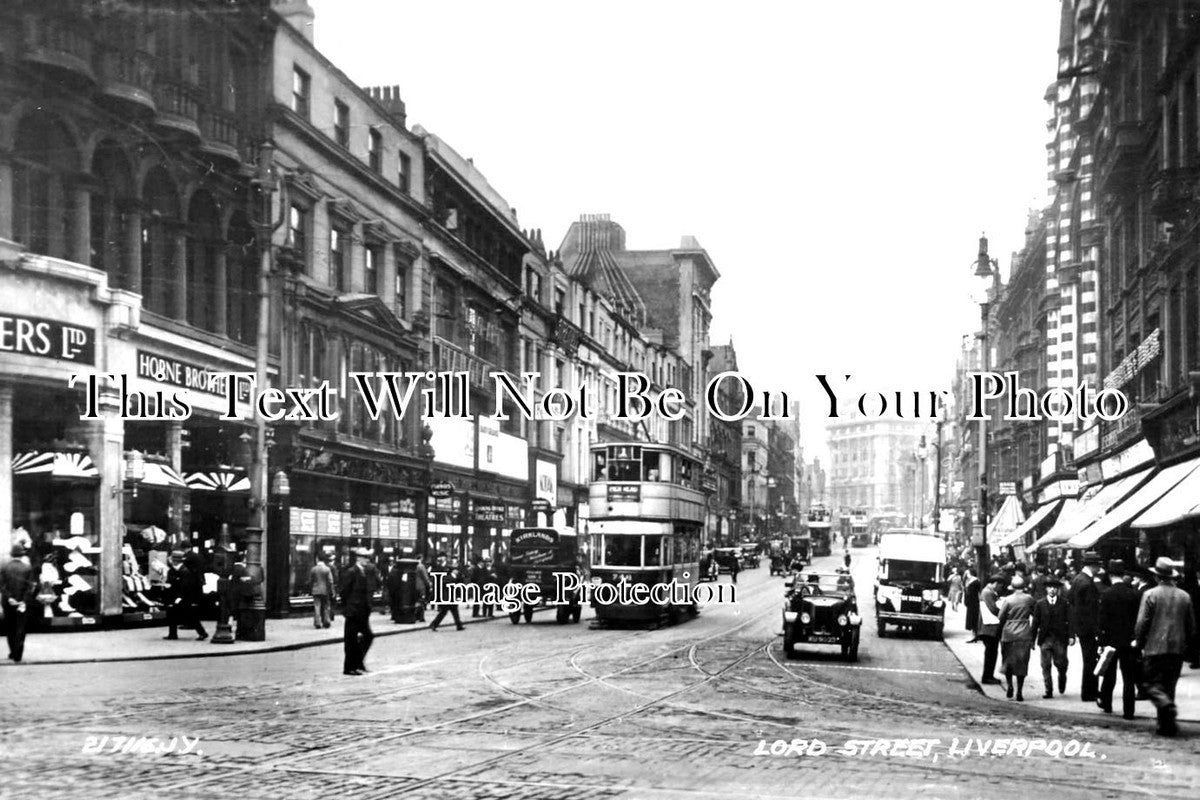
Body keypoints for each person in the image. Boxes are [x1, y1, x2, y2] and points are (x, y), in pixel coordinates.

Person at [1135, 557, 1196, 736]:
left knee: (1150, 684)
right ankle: (1167, 725)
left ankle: (1165, 705)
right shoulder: (1185, 596)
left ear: (1156, 576)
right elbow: (1191, 626)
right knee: (1169, 685)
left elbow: (1142, 623)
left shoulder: (1150, 594)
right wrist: (1186, 644)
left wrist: (1139, 642)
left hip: (1154, 646)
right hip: (1177, 648)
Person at [1097, 560, 1140, 719]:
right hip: (1129, 641)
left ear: (1110, 575)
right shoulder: (1134, 594)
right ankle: (1129, 711)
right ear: (1123, 575)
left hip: (1111, 641)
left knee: (1109, 674)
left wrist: (1101, 642)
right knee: (1129, 677)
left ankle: (1107, 704)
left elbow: (1102, 620)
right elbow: (1138, 620)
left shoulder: (1106, 594)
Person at [1069, 552, 1103, 702]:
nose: (1099, 569)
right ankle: (1090, 692)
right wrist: (1096, 630)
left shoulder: (1078, 579)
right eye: (1098, 565)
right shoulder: (1088, 583)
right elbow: (1091, 610)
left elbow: (1071, 600)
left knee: (1088, 659)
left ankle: (1089, 691)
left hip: (1081, 627)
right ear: (1093, 565)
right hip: (1088, 628)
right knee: (1091, 660)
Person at [1031, 578, 1072, 698]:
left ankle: (1062, 678)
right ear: (1046, 589)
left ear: (1058, 589)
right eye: (1050, 587)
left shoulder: (1064, 603)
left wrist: (1071, 636)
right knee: (1045, 665)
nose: (1052, 590)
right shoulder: (1040, 604)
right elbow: (1035, 623)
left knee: (1061, 663)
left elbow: (1070, 620)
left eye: (1055, 587)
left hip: (1060, 639)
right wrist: (1032, 640)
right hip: (1045, 639)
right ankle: (1048, 689)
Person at [997, 575, 1035, 701]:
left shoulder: (1008, 600)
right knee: (1022, 663)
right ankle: (1019, 691)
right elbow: (1035, 613)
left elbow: (1000, 616)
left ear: (1012, 587)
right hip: (1024, 632)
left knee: (1007, 661)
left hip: (1009, 633)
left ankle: (1010, 686)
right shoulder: (1029, 599)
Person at [340, 547, 376, 675]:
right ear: (358, 558)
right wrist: (348, 607)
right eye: (365, 557)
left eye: (368, 557)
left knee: (368, 636)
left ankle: (358, 663)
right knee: (351, 640)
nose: (367, 560)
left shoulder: (365, 572)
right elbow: (344, 591)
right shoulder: (352, 572)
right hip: (353, 611)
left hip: (363, 611)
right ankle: (349, 667)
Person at [1, 543, 36, 662]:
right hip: (22, 603)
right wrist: (23, 600)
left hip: (8, 602)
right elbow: (30, 587)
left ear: (12, 555)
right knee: (20, 627)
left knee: (10, 627)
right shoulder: (27, 568)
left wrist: (9, 598)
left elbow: (2, 585)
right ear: (22, 555)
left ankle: (12, 651)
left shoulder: (4, 567)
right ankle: (18, 654)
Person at [166, 553, 208, 641]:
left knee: (190, 615)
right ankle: (172, 634)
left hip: (184, 597)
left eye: (172, 560)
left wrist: (179, 597)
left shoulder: (184, 571)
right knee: (173, 614)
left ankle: (202, 633)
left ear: (175, 561)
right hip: (178, 597)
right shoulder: (175, 570)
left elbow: (185, 586)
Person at [977, 574, 1004, 685]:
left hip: (989, 627)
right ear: (996, 583)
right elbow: (993, 609)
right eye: (1000, 586)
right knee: (991, 653)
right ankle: (987, 676)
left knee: (991, 652)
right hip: (989, 628)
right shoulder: (987, 592)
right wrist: (1004, 612)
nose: (1000, 588)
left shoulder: (988, 591)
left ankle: (988, 675)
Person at [429, 555, 465, 632]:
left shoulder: (455, 577)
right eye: (456, 570)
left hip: (451, 598)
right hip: (446, 598)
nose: (457, 571)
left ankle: (459, 625)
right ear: (453, 571)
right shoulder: (448, 577)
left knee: (455, 612)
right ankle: (434, 624)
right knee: (443, 612)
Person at [310, 553, 334, 629]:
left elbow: (311, 580)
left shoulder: (313, 569)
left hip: (315, 590)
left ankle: (317, 622)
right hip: (325, 590)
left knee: (317, 606)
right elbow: (330, 581)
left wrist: (311, 588)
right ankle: (326, 621)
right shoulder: (327, 569)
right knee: (326, 606)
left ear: (317, 559)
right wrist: (331, 590)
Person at [963, 568, 981, 641]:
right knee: (972, 618)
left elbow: (972, 593)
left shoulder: (975, 581)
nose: (967, 575)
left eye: (967, 573)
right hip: (971, 603)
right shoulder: (970, 581)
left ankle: (975, 635)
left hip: (973, 603)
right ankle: (974, 634)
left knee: (973, 618)